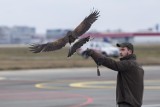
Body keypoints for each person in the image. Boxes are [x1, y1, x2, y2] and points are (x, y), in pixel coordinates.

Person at [85, 42, 144, 107]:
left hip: (127, 103)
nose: (120, 52)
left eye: (123, 50)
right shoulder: (137, 65)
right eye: (120, 50)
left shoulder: (129, 64)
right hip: (134, 102)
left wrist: (94, 54)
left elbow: (114, 64)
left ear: (130, 51)